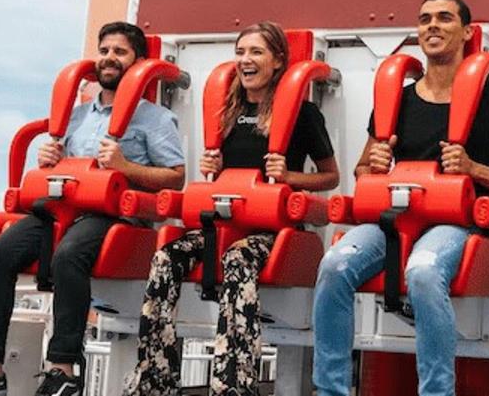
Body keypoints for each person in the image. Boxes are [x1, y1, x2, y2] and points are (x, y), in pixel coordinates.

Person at [312, 0, 489, 396]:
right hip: (391, 222)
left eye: (444, 18)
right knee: (333, 266)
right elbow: (362, 171)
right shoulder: (395, 102)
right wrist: (375, 165)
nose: (432, 26)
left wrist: (475, 169)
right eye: (424, 20)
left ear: (466, 32)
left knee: (422, 271)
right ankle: (330, 390)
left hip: (452, 225)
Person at [0, 22, 185, 396]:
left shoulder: (154, 118)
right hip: (59, 211)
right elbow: (60, 171)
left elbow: (176, 178)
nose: (109, 58)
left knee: (69, 257)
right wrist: (48, 160)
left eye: (120, 52)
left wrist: (126, 167)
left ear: (137, 62)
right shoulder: (77, 116)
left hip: (112, 214)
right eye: (104, 51)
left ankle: (63, 370)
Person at [122, 22, 339, 396]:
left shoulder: (302, 114)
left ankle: (234, 384)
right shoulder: (228, 111)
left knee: (238, 260)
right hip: (222, 224)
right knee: (165, 258)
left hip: (272, 231)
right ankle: (154, 377)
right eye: (240, 52)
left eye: (256, 52)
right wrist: (215, 167)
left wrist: (289, 176)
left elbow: (330, 178)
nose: (245, 60)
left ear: (277, 62)